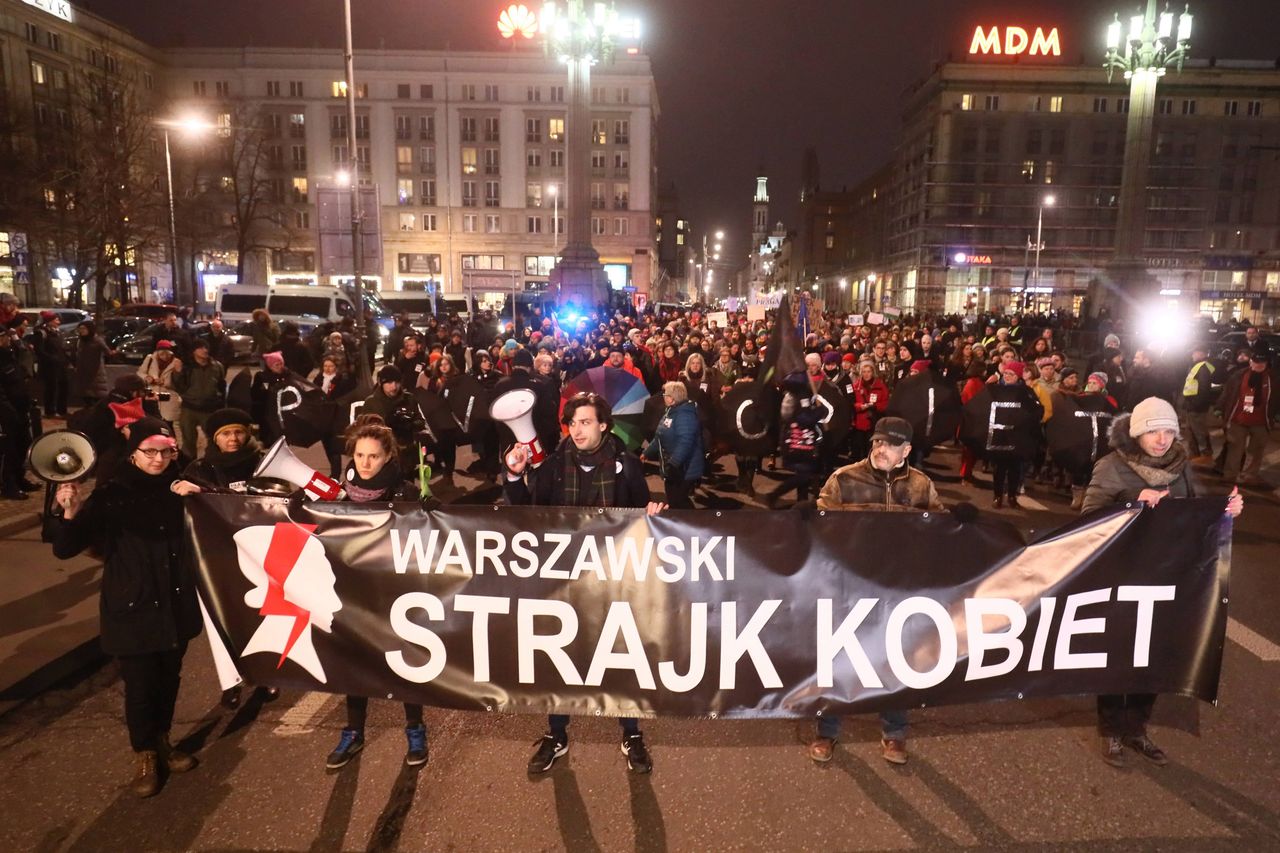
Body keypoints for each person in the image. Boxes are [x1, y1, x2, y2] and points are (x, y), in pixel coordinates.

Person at [503, 392, 666, 774]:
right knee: (560, 657)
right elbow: (526, 512)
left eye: (586, 422)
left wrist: (653, 515)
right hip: (566, 580)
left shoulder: (626, 464)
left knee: (621, 655)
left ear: (603, 425)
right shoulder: (554, 465)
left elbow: (642, 511)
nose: (577, 430)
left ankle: (631, 731)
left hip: (614, 580)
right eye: (573, 423)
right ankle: (556, 734)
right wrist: (513, 474)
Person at [1081, 397, 1243, 768]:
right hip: (1122, 574)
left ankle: (1137, 728)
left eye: (1169, 431)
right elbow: (1088, 516)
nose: (1162, 439)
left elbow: (1192, 514)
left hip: (1167, 577)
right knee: (1118, 655)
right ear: (1137, 432)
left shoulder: (1181, 467)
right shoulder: (1111, 466)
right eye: (1154, 431)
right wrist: (1132, 499)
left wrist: (1225, 510)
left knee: (1153, 657)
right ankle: (1111, 731)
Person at [49, 418, 204, 797]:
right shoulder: (112, 493)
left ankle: (164, 739)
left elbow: (221, 529)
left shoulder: (180, 488)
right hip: (132, 605)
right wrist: (69, 511)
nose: (158, 458)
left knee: (170, 678)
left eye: (165, 451)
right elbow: (65, 548)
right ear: (134, 452)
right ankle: (145, 753)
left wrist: (204, 497)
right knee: (140, 686)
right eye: (150, 451)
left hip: (175, 601)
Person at [810, 417, 943, 765]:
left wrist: (960, 523)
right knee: (840, 662)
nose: (881, 450)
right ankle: (827, 731)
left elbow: (940, 531)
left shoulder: (920, 486)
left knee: (897, 663)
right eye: (877, 443)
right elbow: (822, 525)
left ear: (907, 450)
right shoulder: (844, 479)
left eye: (890, 445)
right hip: (850, 589)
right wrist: (808, 519)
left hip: (899, 592)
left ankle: (894, 734)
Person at [324, 414, 434, 769]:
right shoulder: (339, 492)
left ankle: (415, 730)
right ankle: (353, 732)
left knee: (403, 662)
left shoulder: (403, 492)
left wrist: (428, 511)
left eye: (373, 456)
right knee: (354, 664)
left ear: (388, 457)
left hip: (392, 594)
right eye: (359, 456)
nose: (366, 463)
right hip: (351, 592)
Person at [644, 381, 705, 509]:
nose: (663, 397)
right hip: (674, 467)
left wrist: (674, 463)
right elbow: (659, 436)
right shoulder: (671, 411)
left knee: (678, 500)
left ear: (672, 399)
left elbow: (686, 441)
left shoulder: (685, 415)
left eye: (665, 394)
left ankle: (690, 523)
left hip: (684, 469)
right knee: (675, 499)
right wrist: (647, 452)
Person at [1219, 351, 1274, 487]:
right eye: (1256, 362)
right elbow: (1228, 392)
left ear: (1266, 364)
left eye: (1262, 363)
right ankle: (1230, 475)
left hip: (1261, 421)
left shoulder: (1273, 378)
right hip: (1238, 418)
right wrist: (1219, 407)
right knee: (1235, 448)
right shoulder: (1239, 375)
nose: (1259, 365)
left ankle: (1249, 475)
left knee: (1256, 450)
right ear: (1250, 362)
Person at [171, 340, 227, 456]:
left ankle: (211, 463)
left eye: (206, 347)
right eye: (201, 348)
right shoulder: (187, 367)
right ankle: (189, 467)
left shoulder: (217, 366)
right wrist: (177, 373)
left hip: (210, 409)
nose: (205, 350)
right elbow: (178, 387)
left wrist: (220, 404)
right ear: (194, 351)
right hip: (189, 408)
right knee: (188, 441)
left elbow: (222, 386)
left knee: (213, 439)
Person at [1179, 344, 1217, 462]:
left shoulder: (1202, 368)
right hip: (1193, 406)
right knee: (1191, 432)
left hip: (1197, 407)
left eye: (1194, 352)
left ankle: (1206, 455)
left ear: (1202, 353)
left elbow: (1204, 389)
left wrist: (1195, 404)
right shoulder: (1199, 366)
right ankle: (1195, 455)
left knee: (1199, 431)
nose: (1192, 355)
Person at [34, 311, 70, 417]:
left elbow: (61, 348)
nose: (58, 322)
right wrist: (52, 359)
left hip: (61, 365)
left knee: (64, 386)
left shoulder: (58, 332)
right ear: (49, 321)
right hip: (50, 367)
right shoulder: (41, 333)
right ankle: (50, 411)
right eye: (56, 319)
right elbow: (39, 350)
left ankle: (62, 410)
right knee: (51, 388)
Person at [73, 320, 111, 405]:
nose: (81, 331)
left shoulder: (97, 340)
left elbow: (107, 352)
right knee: (85, 394)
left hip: (95, 372)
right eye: (80, 329)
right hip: (83, 371)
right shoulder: (80, 341)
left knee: (96, 393)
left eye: (84, 328)